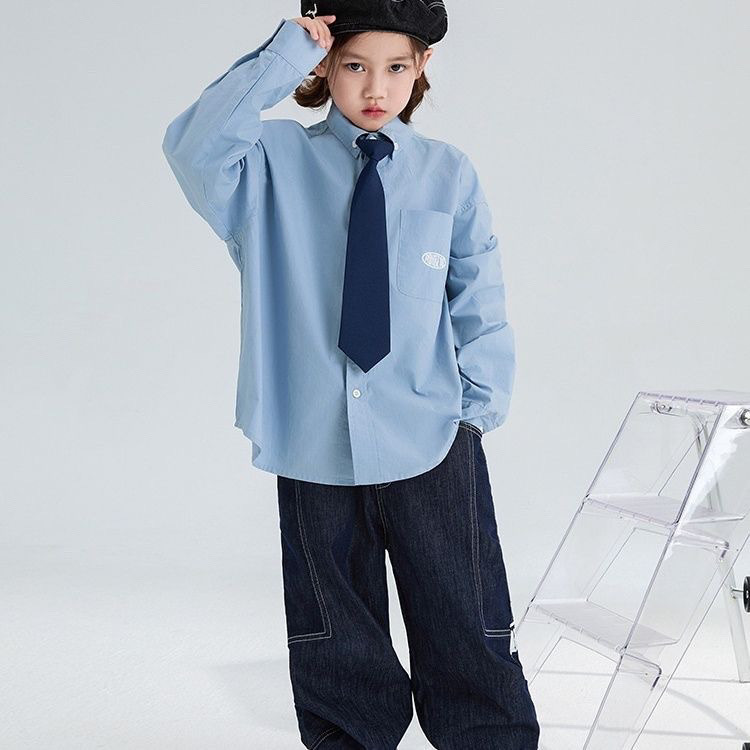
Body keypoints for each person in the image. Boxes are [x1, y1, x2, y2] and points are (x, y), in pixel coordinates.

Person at [162, 2, 540, 747]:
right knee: (334, 628)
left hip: (432, 431)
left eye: (396, 67)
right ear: (326, 66)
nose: (375, 88)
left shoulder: (447, 173)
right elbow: (192, 148)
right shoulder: (268, 164)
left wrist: (475, 413)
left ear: (421, 67)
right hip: (312, 435)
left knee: (464, 613)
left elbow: (478, 298)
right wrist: (285, 53)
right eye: (355, 65)